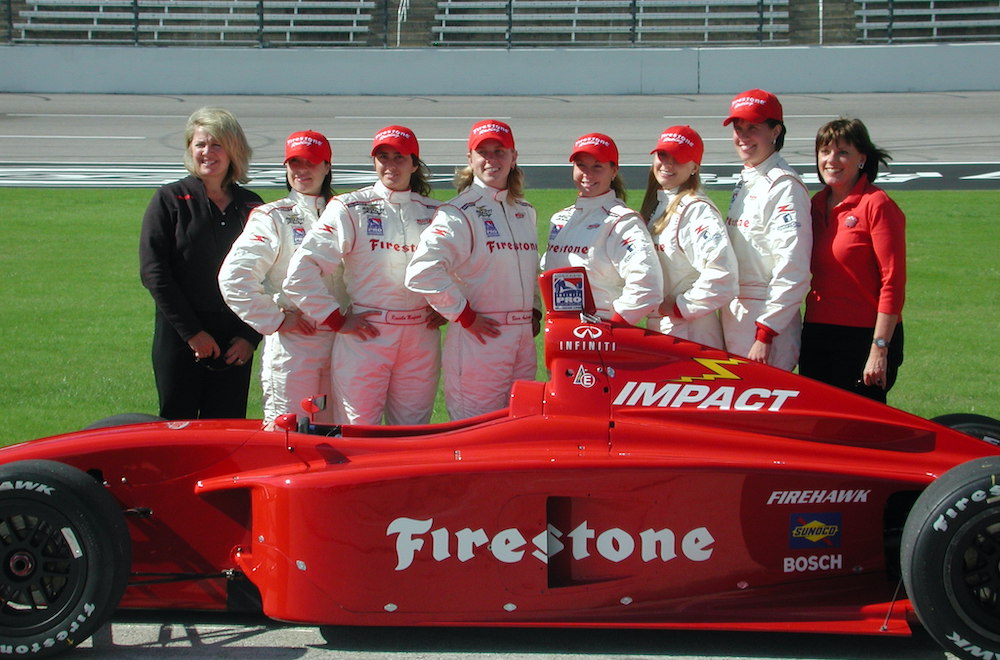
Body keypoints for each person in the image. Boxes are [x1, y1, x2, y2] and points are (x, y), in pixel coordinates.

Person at [284, 126, 443, 425]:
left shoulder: (437, 211)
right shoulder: (350, 207)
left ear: (414, 163)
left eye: (399, 157)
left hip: (421, 337)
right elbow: (300, 273)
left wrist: (448, 307)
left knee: (413, 433)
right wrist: (337, 319)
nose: (390, 164)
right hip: (367, 335)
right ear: (374, 162)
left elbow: (470, 266)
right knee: (358, 431)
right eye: (383, 156)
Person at [404, 119, 540, 421]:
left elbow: (531, 269)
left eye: (499, 151)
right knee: (477, 429)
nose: (492, 159)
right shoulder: (457, 213)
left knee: (521, 425)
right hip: (480, 339)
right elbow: (422, 272)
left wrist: (534, 310)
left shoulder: (524, 212)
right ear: (470, 159)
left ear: (514, 157)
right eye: (484, 152)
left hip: (522, 341)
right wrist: (463, 314)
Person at [139, 107, 263, 419]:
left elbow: (270, 276)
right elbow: (154, 273)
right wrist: (192, 332)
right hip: (181, 337)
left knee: (226, 429)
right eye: (200, 145)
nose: (208, 152)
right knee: (176, 427)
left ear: (234, 150)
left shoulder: (253, 205)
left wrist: (251, 337)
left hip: (236, 342)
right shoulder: (169, 200)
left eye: (217, 144)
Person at [218, 130, 338, 423]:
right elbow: (234, 278)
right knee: (290, 432)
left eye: (310, 162)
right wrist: (276, 319)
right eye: (294, 163)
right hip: (296, 343)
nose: (301, 170)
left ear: (327, 166)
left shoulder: (346, 212)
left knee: (342, 435)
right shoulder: (272, 216)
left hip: (345, 341)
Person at [799, 118, 906, 402]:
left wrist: (879, 348)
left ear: (862, 159)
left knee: (859, 432)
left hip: (864, 337)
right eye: (825, 152)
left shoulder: (876, 204)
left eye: (842, 152)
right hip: (817, 333)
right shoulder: (813, 205)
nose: (831, 160)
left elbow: (892, 283)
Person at [721, 89, 812, 370]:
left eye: (753, 128)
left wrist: (766, 332)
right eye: (738, 128)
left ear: (775, 132)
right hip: (738, 316)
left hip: (767, 327)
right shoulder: (749, 178)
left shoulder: (783, 186)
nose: (743, 137)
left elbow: (793, 268)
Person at [542, 132, 662, 325]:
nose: (587, 174)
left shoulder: (623, 222)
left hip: (600, 336)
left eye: (597, 166)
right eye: (581, 165)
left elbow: (648, 284)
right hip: (561, 332)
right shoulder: (560, 219)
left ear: (614, 171)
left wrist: (613, 326)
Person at [640, 125, 737, 349]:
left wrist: (680, 306)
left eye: (678, 158)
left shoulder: (697, 210)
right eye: (663, 155)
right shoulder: (657, 204)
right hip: (664, 327)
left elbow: (724, 276)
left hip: (691, 331)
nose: (667, 164)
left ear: (694, 167)